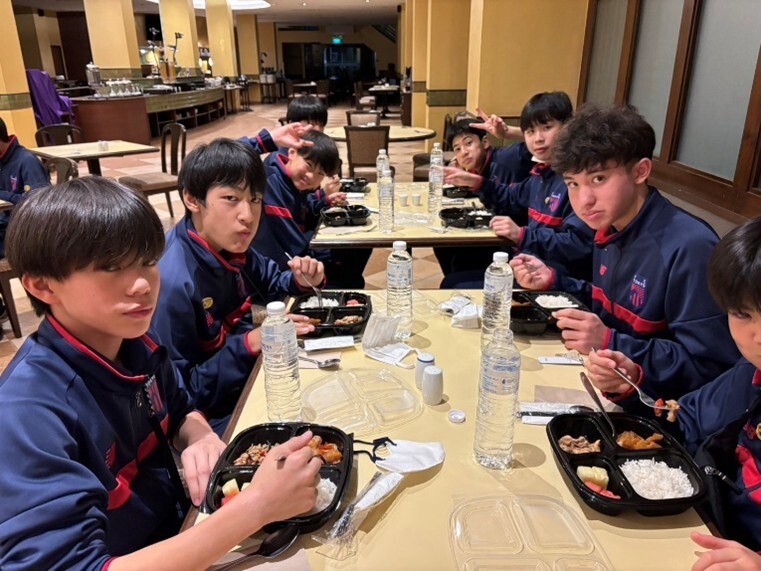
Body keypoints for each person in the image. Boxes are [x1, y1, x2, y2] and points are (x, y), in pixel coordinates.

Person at [0, 177, 322, 569]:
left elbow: (180, 408)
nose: (142, 284)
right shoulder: (26, 412)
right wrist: (256, 508)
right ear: (43, 286)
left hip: (181, 527)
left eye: (148, 261)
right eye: (111, 267)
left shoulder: (134, 341)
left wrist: (198, 435)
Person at [513, 103, 739, 403]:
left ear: (640, 171)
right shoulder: (611, 226)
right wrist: (555, 281)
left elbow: (710, 367)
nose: (584, 200)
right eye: (572, 184)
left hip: (662, 411)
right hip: (609, 385)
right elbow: (611, 309)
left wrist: (611, 341)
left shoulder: (689, 246)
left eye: (598, 179)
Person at [587, 216, 761, 553]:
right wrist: (631, 386)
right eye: (742, 314)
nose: (758, 337)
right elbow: (686, 422)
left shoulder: (686, 242)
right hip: (705, 528)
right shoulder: (749, 373)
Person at [152, 138, 324, 433]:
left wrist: (301, 279)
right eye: (231, 198)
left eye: (255, 199)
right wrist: (249, 344)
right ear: (192, 199)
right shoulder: (171, 283)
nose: (248, 215)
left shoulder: (226, 244)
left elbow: (271, 279)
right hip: (211, 419)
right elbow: (180, 395)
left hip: (249, 376)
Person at [441, 93, 594, 287]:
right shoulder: (541, 174)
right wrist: (477, 182)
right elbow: (510, 197)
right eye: (530, 131)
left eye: (547, 128)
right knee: (453, 270)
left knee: (454, 283)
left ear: (567, 128)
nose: (538, 139)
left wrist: (522, 234)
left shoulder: (576, 180)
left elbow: (579, 244)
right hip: (527, 263)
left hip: (553, 278)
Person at [254, 130, 370, 288]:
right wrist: (263, 140)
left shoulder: (293, 183)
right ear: (292, 152)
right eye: (308, 165)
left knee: (359, 248)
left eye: (320, 174)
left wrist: (323, 201)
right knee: (351, 257)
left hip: (299, 252)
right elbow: (296, 243)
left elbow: (303, 209)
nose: (311, 176)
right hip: (282, 268)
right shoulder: (267, 181)